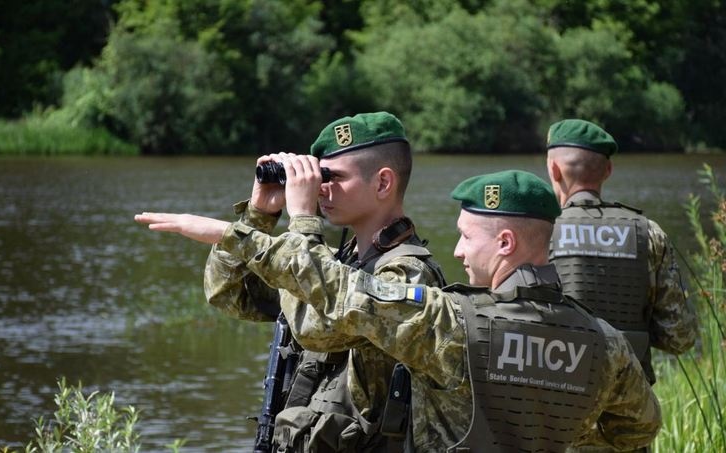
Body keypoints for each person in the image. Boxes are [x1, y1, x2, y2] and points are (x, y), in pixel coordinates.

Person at [139, 169, 661, 452]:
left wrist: (234, 233)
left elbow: (348, 295)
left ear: (505, 243)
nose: (456, 253)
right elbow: (638, 430)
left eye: (465, 239)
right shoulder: (603, 340)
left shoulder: (452, 323)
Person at [136, 112, 446, 452]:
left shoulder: (409, 275)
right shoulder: (330, 264)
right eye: (317, 176)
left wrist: (301, 219)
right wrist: (259, 214)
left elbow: (318, 326)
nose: (320, 188)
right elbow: (227, 293)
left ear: (383, 183)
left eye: (332, 177)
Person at [545, 119, 697, 384]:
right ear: (608, 170)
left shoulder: (540, 231)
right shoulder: (648, 233)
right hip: (630, 403)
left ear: (554, 170)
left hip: (561, 404)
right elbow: (680, 337)